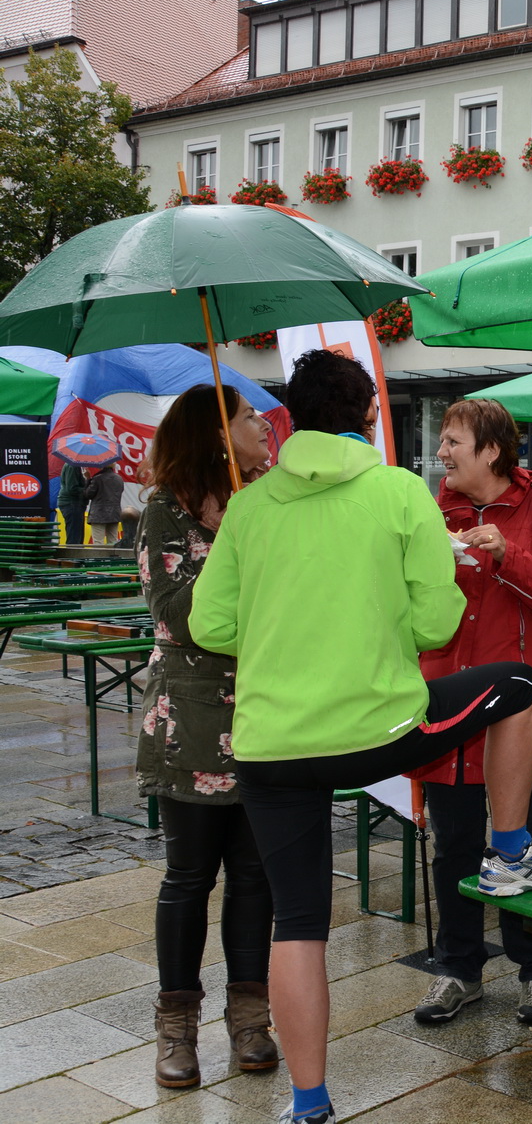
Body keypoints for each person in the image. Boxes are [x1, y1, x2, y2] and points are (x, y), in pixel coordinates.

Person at [188, 351, 532, 1124]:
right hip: (377, 727)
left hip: (274, 744)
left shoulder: (252, 504)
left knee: (297, 922)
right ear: (371, 415)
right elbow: (436, 622)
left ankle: (309, 1104)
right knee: (520, 684)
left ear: (289, 420)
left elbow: (210, 624)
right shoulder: (401, 493)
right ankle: (511, 848)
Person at [410, 399, 532, 1028]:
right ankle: (458, 969)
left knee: (523, 846)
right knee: (453, 845)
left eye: (452, 440)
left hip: (519, 711)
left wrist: (508, 555)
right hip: (446, 706)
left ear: (490, 449)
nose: (441, 452)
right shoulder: (431, 512)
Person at [136, 385, 278, 1088]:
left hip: (265, 713)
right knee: (189, 878)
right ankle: (177, 1030)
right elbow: (184, 614)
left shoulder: (266, 496)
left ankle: (251, 1018)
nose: (265, 425)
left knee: (255, 877)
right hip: (191, 720)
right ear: (217, 433)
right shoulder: (165, 508)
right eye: (250, 417)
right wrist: (234, 538)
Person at [86, 461, 123, 544]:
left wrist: (88, 480)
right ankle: (113, 557)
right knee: (113, 540)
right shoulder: (119, 479)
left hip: (98, 514)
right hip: (114, 513)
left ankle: (100, 557)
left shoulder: (97, 478)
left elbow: (88, 494)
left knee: (98, 541)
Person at [57, 459, 87, 545]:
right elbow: (72, 488)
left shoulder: (75, 465)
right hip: (71, 503)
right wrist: (87, 489)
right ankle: (72, 557)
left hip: (74, 503)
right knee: (74, 536)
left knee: (77, 535)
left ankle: (75, 555)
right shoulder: (72, 466)